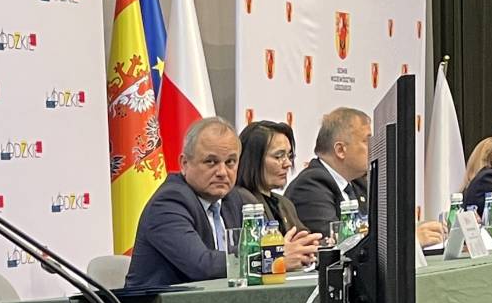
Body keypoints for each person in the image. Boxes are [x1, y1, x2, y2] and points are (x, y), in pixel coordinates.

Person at [125, 116, 318, 291]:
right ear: (184, 164)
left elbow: (254, 251)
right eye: (211, 162)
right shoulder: (169, 202)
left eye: (230, 162)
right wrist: (273, 258)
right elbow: (202, 266)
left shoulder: (234, 199)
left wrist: (298, 253)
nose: (222, 172)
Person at [283, 106, 371, 238]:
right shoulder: (310, 187)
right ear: (340, 150)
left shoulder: (358, 184)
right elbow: (336, 242)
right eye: (367, 141)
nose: (373, 147)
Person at [236, 119, 304, 231]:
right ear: (253, 160)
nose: (288, 164)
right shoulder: (238, 201)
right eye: (278, 156)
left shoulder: (286, 205)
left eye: (289, 156)